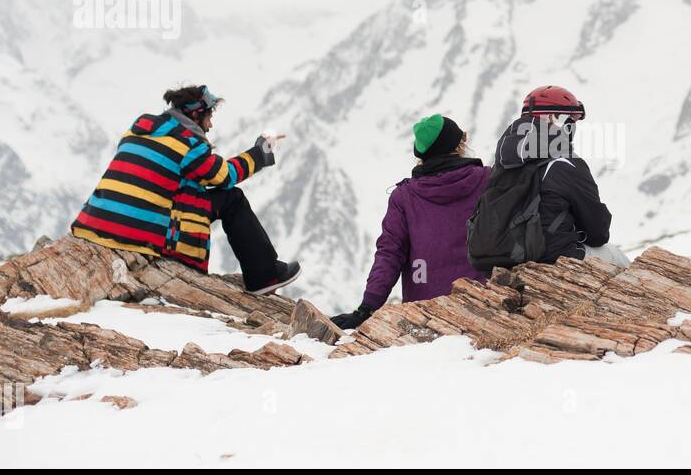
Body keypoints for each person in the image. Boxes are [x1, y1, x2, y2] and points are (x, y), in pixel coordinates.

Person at [70, 85, 301, 294]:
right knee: (232, 199)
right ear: (195, 114)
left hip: (94, 225)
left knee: (195, 193)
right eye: (209, 117)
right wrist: (260, 154)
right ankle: (264, 275)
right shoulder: (186, 143)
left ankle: (265, 273)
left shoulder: (139, 129)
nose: (210, 125)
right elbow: (224, 176)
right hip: (141, 236)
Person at [330, 114, 489, 330]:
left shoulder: (404, 197)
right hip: (483, 307)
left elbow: (390, 254)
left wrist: (367, 308)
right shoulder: (488, 182)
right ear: (458, 146)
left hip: (424, 317)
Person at [493, 85, 629, 267]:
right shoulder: (565, 163)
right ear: (552, 118)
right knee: (615, 256)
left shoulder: (501, 161)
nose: (572, 127)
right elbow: (598, 232)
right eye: (570, 120)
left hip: (501, 261)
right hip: (554, 257)